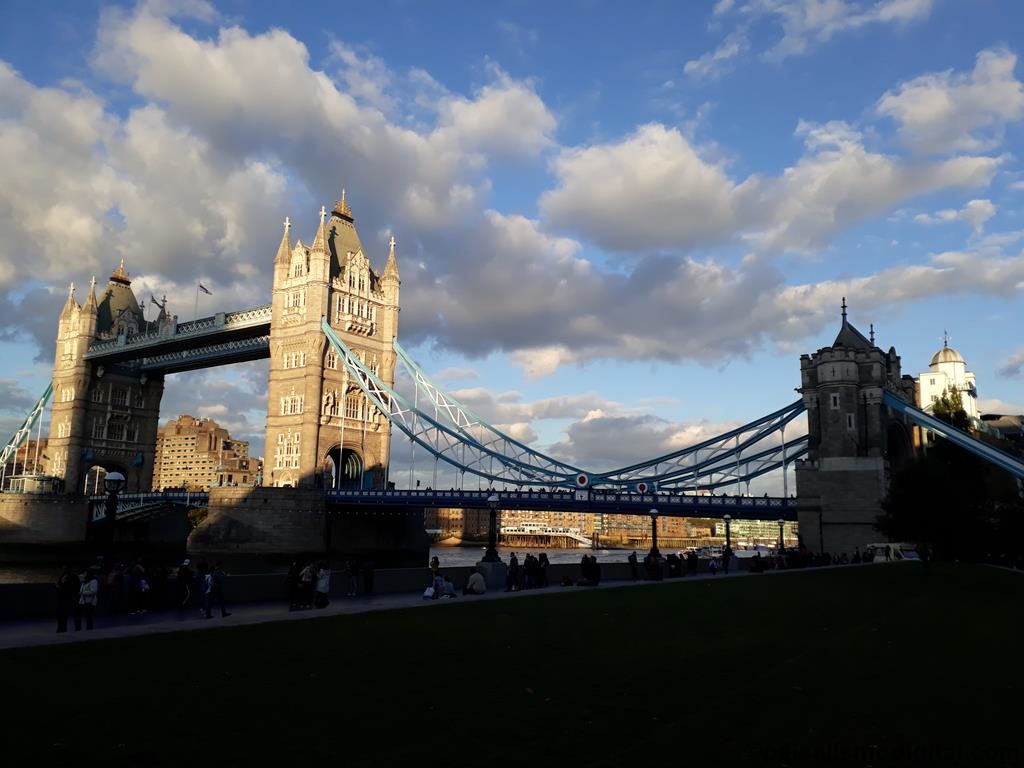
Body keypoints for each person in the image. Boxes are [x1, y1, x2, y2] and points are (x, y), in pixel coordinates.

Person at [56, 564, 79, 633]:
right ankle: (61, 629)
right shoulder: (63, 576)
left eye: (65, 568)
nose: (63, 569)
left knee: (65, 615)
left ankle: (63, 629)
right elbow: (59, 584)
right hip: (62, 598)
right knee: (61, 615)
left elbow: (75, 587)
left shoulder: (73, 577)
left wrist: (62, 587)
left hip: (69, 598)